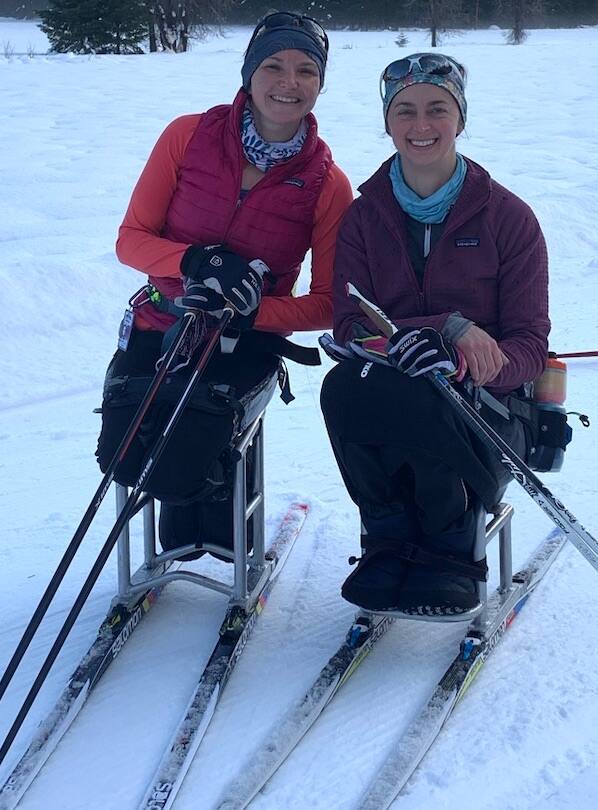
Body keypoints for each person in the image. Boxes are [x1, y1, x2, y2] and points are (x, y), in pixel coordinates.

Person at [98, 12, 353, 557]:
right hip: (161, 322)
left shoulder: (328, 184)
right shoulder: (188, 136)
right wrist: (193, 261)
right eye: (274, 65)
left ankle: (222, 540)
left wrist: (255, 312)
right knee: (124, 450)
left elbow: (329, 304)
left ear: (320, 83)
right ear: (249, 73)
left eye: (306, 70)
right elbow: (130, 241)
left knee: (191, 446)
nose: (289, 83)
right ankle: (180, 536)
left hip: (244, 342)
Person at [320, 53, 551, 615]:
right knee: (344, 386)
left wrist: (467, 359)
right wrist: (443, 328)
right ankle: (388, 536)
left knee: (425, 395)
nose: (420, 125)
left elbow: (529, 347)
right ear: (387, 121)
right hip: (393, 403)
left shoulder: (509, 218)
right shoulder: (363, 218)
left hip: (486, 417)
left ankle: (451, 550)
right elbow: (349, 323)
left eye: (437, 109)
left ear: (460, 119)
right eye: (405, 110)